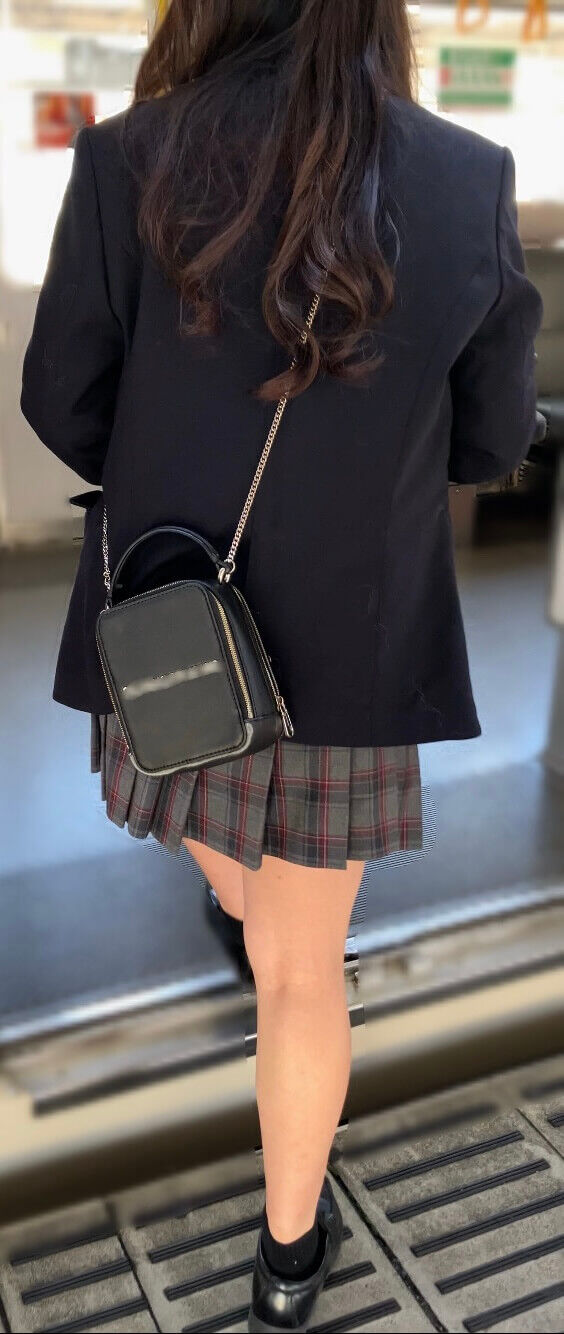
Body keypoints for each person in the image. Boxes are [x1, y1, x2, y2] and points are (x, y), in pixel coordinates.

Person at [20, 1, 543, 1329]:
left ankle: (248, 906)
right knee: (304, 967)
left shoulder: (130, 154)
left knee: (228, 865)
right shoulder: (466, 177)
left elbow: (62, 401)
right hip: (353, 648)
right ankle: (289, 1267)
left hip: (175, 625)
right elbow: (492, 441)